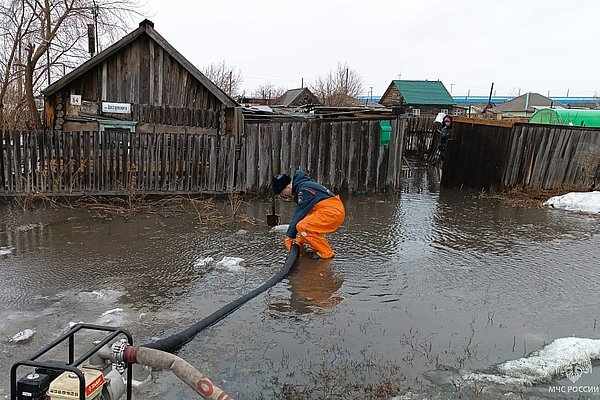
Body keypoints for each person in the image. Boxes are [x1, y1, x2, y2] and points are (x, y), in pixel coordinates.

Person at [271, 170, 345, 259]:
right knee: (304, 224)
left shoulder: (304, 190)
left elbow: (299, 214)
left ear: (286, 188)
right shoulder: (303, 185)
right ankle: (306, 243)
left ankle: (326, 253)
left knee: (303, 227)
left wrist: (289, 236)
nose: (285, 196)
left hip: (331, 212)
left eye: (282, 193)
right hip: (331, 209)